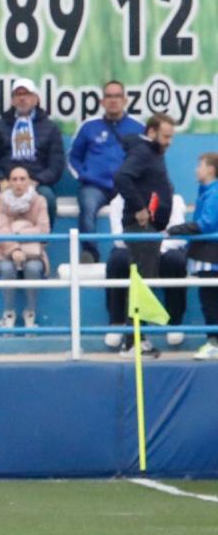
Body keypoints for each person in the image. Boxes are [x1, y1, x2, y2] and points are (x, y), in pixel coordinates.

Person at [112, 112, 176, 356]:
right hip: (141, 228)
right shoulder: (143, 151)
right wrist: (139, 207)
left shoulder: (152, 153)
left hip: (149, 229)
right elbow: (122, 177)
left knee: (144, 283)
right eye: (165, 136)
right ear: (151, 132)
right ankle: (133, 342)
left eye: (171, 137)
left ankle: (138, 338)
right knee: (141, 285)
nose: (169, 141)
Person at [0, 78, 64, 234]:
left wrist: (37, 181)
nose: (22, 98)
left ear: (36, 99)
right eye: (18, 95)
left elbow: (56, 164)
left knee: (48, 199)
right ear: (12, 100)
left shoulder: (50, 127)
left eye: (27, 94)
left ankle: (39, 246)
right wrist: (0, 181)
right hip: (5, 181)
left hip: (37, 181)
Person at [68, 81, 144, 258]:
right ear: (102, 101)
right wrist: (84, 175)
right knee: (87, 204)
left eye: (117, 96)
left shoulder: (138, 127)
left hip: (126, 186)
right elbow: (73, 157)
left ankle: (133, 253)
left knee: (139, 207)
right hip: (96, 187)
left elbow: (145, 158)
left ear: (125, 100)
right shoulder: (89, 126)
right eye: (109, 96)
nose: (113, 100)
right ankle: (89, 252)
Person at [0, 165, 50, 329]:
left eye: (22, 179)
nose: (18, 183)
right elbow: (0, 229)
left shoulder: (40, 200)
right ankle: (8, 313)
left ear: (29, 182)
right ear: (8, 182)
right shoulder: (1, 200)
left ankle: (30, 313)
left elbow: (43, 229)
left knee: (34, 268)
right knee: (6, 268)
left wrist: (18, 232)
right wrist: (14, 249)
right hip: (5, 252)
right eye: (14, 179)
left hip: (34, 253)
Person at [182, 153, 218, 360]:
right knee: (209, 299)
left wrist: (176, 230)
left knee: (210, 300)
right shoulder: (206, 192)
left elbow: (206, 224)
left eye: (200, 165)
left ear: (211, 169)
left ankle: (214, 342)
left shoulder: (214, 193)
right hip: (205, 255)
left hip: (210, 256)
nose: (197, 169)